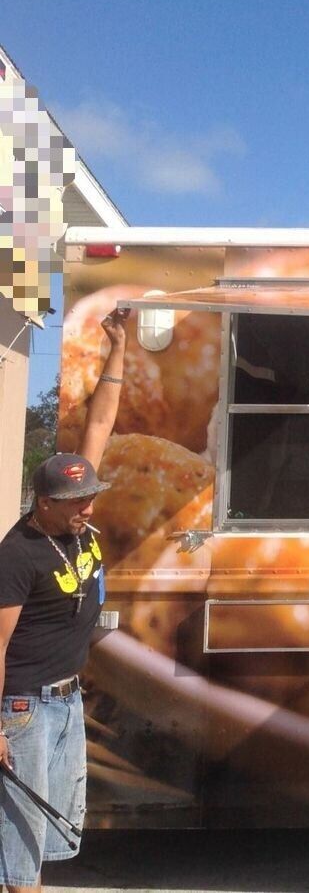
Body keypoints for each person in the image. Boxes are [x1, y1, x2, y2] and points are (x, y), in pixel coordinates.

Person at [0, 308, 127, 892]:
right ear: (44, 503)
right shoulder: (19, 554)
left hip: (66, 699)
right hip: (24, 707)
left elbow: (100, 421)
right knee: (21, 842)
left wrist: (118, 346)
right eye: (78, 503)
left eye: (90, 498)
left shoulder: (72, 522)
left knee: (48, 837)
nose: (89, 509)